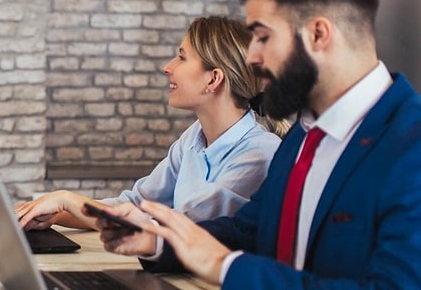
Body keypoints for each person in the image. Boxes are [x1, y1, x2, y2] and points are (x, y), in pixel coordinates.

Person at [99, 0, 421, 290]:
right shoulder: (302, 137)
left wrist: (227, 268)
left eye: (262, 37)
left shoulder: (409, 146)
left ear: (319, 34)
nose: (251, 58)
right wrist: (162, 242)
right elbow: (248, 232)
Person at [16, 16, 286, 231]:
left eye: (181, 57)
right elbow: (134, 205)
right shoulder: (194, 138)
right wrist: (55, 214)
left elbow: (174, 228)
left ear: (213, 79)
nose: (167, 67)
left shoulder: (259, 154)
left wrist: (68, 199)